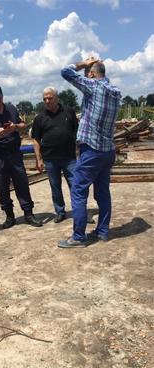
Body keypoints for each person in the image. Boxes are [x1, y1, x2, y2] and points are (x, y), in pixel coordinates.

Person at [58, 58, 121, 248]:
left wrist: (84, 63)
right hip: (107, 151)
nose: (85, 75)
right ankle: (102, 231)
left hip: (91, 150)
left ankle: (78, 237)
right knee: (102, 192)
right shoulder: (115, 92)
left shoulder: (93, 86)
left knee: (78, 190)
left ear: (92, 74)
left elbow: (65, 72)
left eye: (87, 72)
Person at [0, 84, 43, 229]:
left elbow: (23, 125)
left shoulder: (12, 109)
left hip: (14, 153)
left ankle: (28, 213)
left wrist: (15, 126)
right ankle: (9, 216)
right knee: (2, 186)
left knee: (22, 183)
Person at [31, 87, 79, 223]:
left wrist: (79, 153)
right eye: (45, 99)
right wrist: (38, 159)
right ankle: (60, 212)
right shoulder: (40, 118)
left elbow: (77, 133)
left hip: (69, 158)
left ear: (57, 98)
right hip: (50, 159)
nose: (47, 101)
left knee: (75, 185)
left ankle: (80, 212)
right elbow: (35, 140)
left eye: (50, 98)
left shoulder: (69, 112)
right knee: (55, 187)